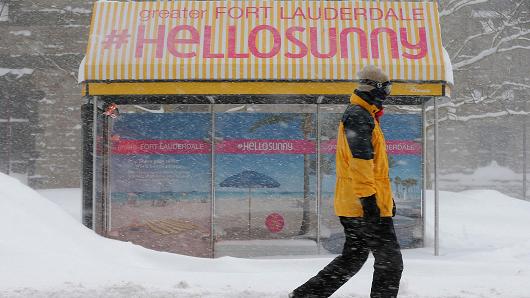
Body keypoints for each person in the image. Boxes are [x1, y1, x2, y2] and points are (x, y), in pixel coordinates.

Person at [290, 66, 403, 298]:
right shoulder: (359, 116)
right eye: (388, 88)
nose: (388, 94)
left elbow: (374, 170)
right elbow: (360, 164)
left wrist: (385, 199)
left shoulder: (363, 114)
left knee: (353, 257)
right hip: (362, 205)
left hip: (357, 202)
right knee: (390, 261)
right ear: (377, 88)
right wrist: (370, 202)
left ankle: (305, 295)